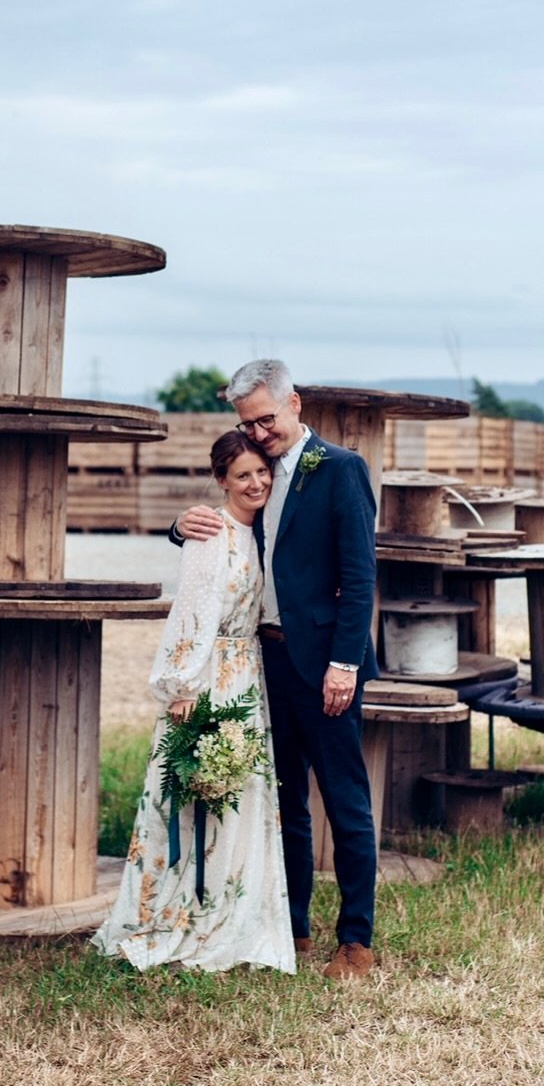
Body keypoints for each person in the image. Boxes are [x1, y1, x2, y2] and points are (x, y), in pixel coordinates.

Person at [171, 359, 379, 980]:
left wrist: (344, 664)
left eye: (267, 419)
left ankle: (356, 941)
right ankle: (292, 929)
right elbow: (229, 532)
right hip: (266, 663)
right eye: (249, 424)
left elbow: (360, 577)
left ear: (296, 403)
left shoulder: (340, 469)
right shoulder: (258, 478)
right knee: (283, 799)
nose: (260, 433)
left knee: (345, 802)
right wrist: (178, 529)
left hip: (326, 667)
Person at [91, 430, 295, 974]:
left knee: (241, 797)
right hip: (207, 680)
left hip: (247, 677)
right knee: (189, 799)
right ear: (222, 481)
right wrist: (182, 689)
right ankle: (178, 914)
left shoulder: (265, 532)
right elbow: (192, 615)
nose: (256, 483)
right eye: (243, 475)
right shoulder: (210, 533)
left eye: (261, 472)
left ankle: (235, 913)